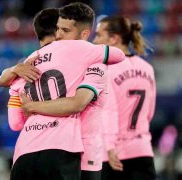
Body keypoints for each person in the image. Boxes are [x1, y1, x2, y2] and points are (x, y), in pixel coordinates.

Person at [7, 8, 125, 180]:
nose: (60, 35)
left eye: (64, 30)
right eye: (58, 30)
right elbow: (77, 103)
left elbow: (15, 122)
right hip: (73, 149)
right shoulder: (91, 60)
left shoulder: (27, 64)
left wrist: (31, 106)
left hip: (24, 151)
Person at [93, 16, 157, 180]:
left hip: (114, 153)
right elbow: (150, 112)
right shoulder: (147, 68)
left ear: (114, 38)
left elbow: (109, 110)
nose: (95, 40)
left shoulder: (106, 69)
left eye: (99, 35)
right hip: (143, 151)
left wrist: (110, 146)